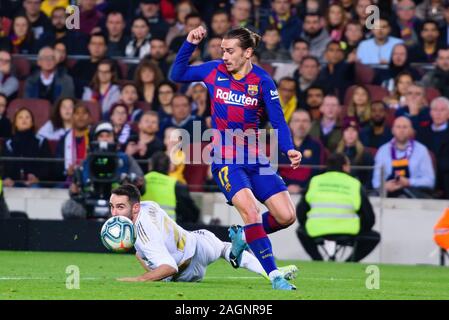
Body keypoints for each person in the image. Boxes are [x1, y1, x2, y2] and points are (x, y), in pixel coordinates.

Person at [170, 26, 302, 290]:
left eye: (230, 51)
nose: (225, 56)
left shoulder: (263, 81)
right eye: (222, 50)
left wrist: (289, 148)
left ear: (248, 52)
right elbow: (177, 73)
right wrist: (189, 44)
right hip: (226, 158)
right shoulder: (213, 70)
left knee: (286, 216)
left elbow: (278, 120)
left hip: (256, 158)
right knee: (251, 211)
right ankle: (274, 275)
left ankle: (242, 236)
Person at [110, 184, 298, 283]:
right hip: (199, 244)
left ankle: (249, 256)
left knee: (142, 253)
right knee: (226, 249)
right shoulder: (149, 205)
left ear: (135, 208)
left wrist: (139, 279)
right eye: (112, 206)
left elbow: (169, 267)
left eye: (120, 207)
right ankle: (272, 273)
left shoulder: (143, 234)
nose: (114, 213)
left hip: (184, 270)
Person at [296, 153, 381, 262]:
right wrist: (363, 228)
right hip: (349, 231)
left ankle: (318, 261)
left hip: (316, 230)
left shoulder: (315, 181)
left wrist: (306, 224)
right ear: (345, 166)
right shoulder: (354, 183)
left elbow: (300, 211)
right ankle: (349, 263)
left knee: (300, 231)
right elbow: (369, 216)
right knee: (374, 237)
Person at [372, 116, 435, 198]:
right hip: (388, 194)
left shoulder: (421, 150)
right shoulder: (382, 151)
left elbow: (430, 181)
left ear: (411, 131)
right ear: (392, 130)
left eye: (405, 127)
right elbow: (376, 181)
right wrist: (385, 186)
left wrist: (409, 182)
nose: (401, 130)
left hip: (415, 195)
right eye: (398, 127)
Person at [141, 151, 199, 223]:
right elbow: (191, 212)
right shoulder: (176, 184)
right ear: (169, 167)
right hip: (167, 230)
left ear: (150, 165)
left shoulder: (140, 181)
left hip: (144, 229)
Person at [1, 107, 52, 188]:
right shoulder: (8, 143)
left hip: (35, 184)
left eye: (27, 117)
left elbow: (48, 166)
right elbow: (3, 166)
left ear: (32, 123)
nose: (24, 119)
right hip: (12, 183)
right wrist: (5, 178)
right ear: (15, 123)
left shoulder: (41, 141)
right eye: (20, 117)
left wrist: (37, 177)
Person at [278, 110, 325, 194]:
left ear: (310, 125)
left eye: (305, 121)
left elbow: (318, 172)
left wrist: (302, 188)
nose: (301, 125)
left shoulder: (317, 145)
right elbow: (273, 170)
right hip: (280, 192)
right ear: (290, 124)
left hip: (307, 192)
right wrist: (286, 186)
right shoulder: (279, 144)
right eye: (297, 121)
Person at [416, 96, 449, 198]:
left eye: (442, 110)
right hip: (424, 175)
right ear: (430, 113)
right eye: (435, 110)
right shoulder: (422, 132)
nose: (438, 113)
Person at [336, 117, 374, 188]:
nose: (350, 133)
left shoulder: (365, 155)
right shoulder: (336, 154)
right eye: (347, 130)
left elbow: (369, 179)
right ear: (343, 133)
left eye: (353, 130)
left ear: (357, 133)